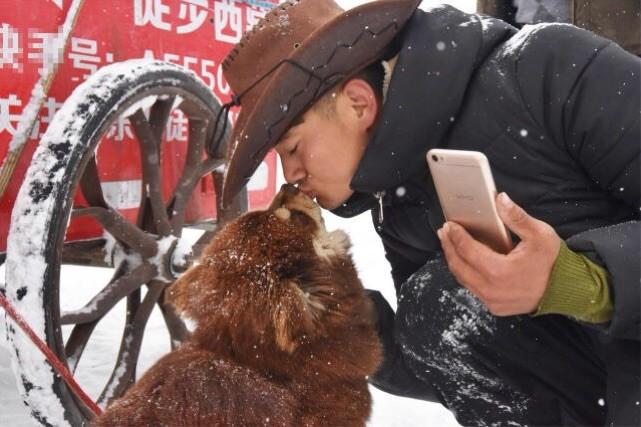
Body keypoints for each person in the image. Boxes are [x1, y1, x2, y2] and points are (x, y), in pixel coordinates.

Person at [217, 0, 640, 425]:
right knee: (431, 305)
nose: (290, 175)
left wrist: (581, 284)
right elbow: (445, 354)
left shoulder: (548, 69)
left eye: (292, 148)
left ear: (358, 103)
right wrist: (330, 317)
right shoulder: (399, 200)